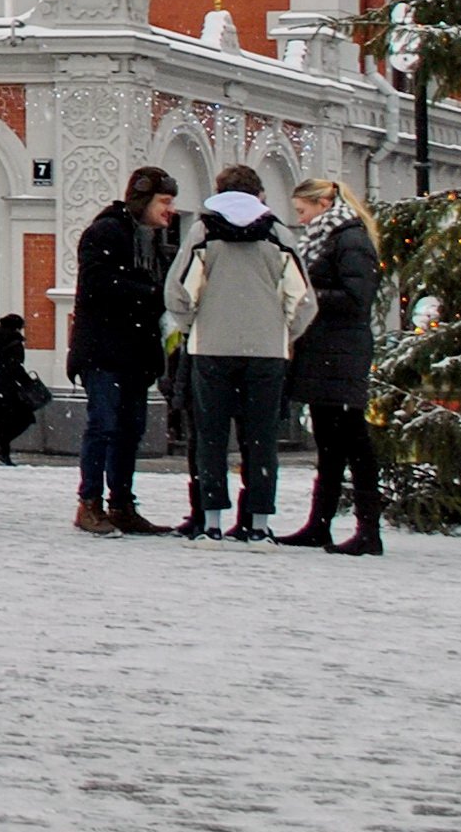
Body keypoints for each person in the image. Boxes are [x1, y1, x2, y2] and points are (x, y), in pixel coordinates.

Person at [163, 164, 309, 540]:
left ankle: (211, 519)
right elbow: (302, 297)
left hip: (211, 348)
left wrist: (193, 324)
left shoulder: (203, 231)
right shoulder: (277, 234)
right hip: (266, 352)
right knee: (261, 439)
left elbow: (178, 291)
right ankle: (258, 522)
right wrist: (283, 331)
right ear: (259, 195)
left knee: (210, 437)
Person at [69, 165, 181, 534]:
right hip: (103, 351)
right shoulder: (107, 231)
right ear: (143, 199)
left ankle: (121, 504)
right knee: (103, 424)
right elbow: (97, 284)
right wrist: (150, 293)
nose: (170, 210)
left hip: (134, 350)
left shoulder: (150, 239)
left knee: (129, 429)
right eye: (164, 201)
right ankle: (89, 504)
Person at [284, 176, 387, 555]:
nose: (301, 219)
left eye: (303, 210)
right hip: (326, 348)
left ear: (323, 205)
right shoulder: (331, 237)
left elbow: (357, 297)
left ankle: (367, 529)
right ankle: (320, 524)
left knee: (351, 438)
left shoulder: (349, 239)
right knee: (330, 440)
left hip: (341, 349)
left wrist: (309, 297)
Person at [0, 310, 50, 466]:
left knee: (6, 420)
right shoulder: (14, 343)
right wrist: (28, 384)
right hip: (8, 389)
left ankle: (2, 450)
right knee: (23, 418)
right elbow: (15, 368)